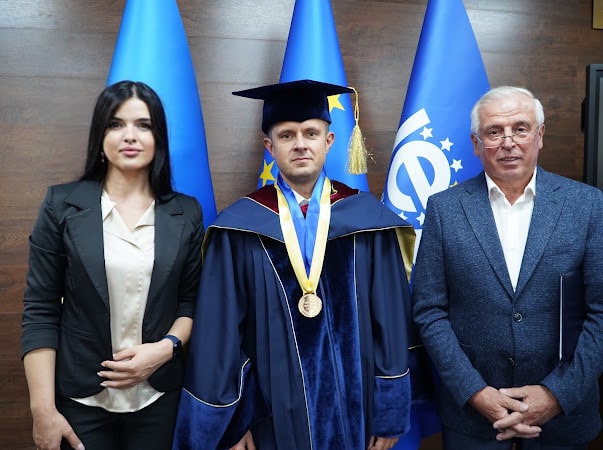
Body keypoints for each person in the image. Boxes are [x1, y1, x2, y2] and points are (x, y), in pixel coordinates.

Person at [172, 79, 415, 450]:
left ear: (329, 141)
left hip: (358, 408)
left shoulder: (369, 222)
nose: (300, 144)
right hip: (268, 413)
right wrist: (234, 421)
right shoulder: (238, 228)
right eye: (286, 135)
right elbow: (220, 334)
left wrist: (390, 411)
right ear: (270, 147)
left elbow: (392, 322)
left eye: (311, 133)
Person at [412, 86, 603, 449]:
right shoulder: (444, 209)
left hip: (564, 416)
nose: (509, 142)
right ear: (476, 143)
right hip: (473, 416)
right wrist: (475, 392)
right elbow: (429, 310)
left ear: (540, 135)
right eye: (494, 132)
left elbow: (601, 312)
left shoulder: (589, 205)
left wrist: (556, 395)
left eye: (520, 128)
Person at [21, 80, 204, 450]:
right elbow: (40, 309)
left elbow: (190, 301)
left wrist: (165, 349)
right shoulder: (61, 205)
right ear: (100, 136)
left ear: (158, 138)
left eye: (143, 125)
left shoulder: (186, 212)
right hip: (80, 400)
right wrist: (43, 410)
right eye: (116, 124)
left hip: (158, 396)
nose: (130, 136)